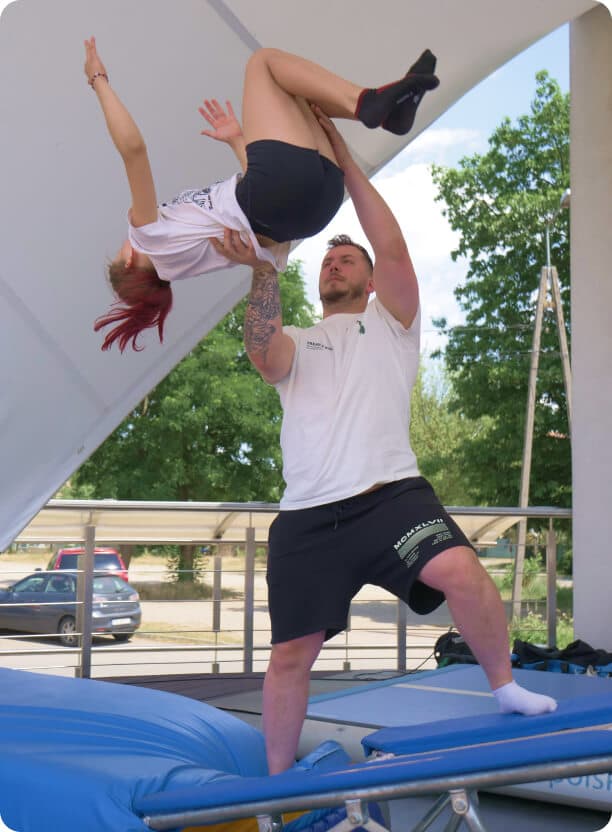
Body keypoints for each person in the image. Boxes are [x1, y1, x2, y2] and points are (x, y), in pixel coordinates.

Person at [213, 105, 558, 776]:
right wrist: (262, 270)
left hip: (390, 498)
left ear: (369, 281)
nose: (335, 264)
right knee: (290, 655)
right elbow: (262, 351)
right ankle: (275, 784)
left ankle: (505, 687)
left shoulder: (392, 322)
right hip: (308, 518)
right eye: (329, 260)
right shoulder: (301, 343)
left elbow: (393, 246)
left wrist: (343, 159)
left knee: (461, 571)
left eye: (347, 259)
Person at [83, 37, 439, 351]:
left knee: (298, 90)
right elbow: (133, 149)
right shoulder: (148, 237)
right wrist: (99, 80)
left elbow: (261, 216)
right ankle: (368, 104)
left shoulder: (186, 262)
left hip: (314, 209)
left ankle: (383, 109)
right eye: (121, 249)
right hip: (271, 196)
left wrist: (239, 140)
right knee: (264, 63)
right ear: (130, 261)